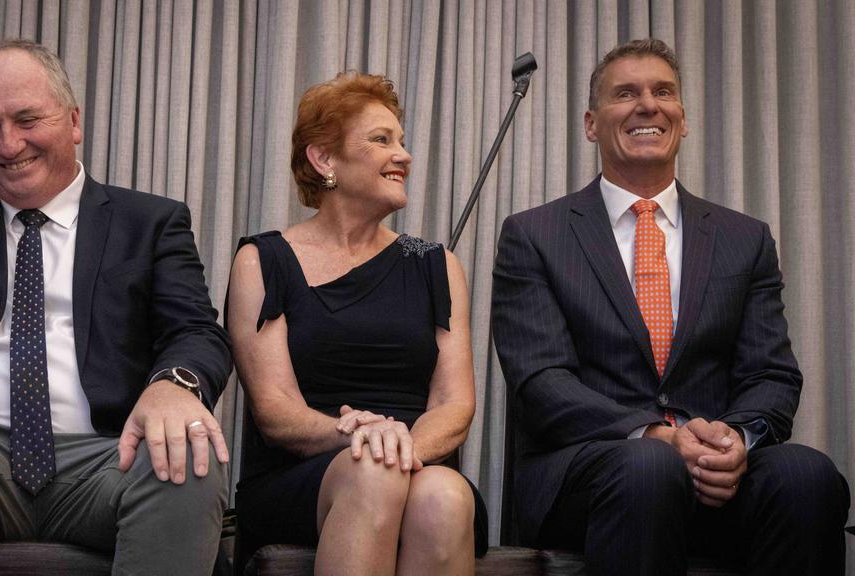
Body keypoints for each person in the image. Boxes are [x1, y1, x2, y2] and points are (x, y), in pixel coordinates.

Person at [0, 39, 232, 575]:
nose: (8, 144)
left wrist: (174, 384)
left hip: (108, 457)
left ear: (73, 122)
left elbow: (195, 331)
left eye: (28, 119)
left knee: (190, 455)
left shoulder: (152, 222)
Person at [491, 38, 850, 575]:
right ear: (591, 123)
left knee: (808, 476)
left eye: (664, 92)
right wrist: (655, 436)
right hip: (591, 473)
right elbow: (541, 383)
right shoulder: (534, 235)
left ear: (683, 119)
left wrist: (735, 439)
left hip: (714, 475)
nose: (648, 105)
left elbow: (772, 374)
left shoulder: (744, 238)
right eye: (626, 93)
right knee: (649, 466)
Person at [227, 72, 486, 575]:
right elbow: (276, 412)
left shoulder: (437, 263)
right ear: (324, 159)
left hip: (415, 459)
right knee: (374, 473)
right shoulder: (264, 260)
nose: (405, 156)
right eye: (381, 140)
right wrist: (359, 438)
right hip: (303, 474)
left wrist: (399, 441)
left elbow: (455, 404)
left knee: (446, 496)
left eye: (403, 142)